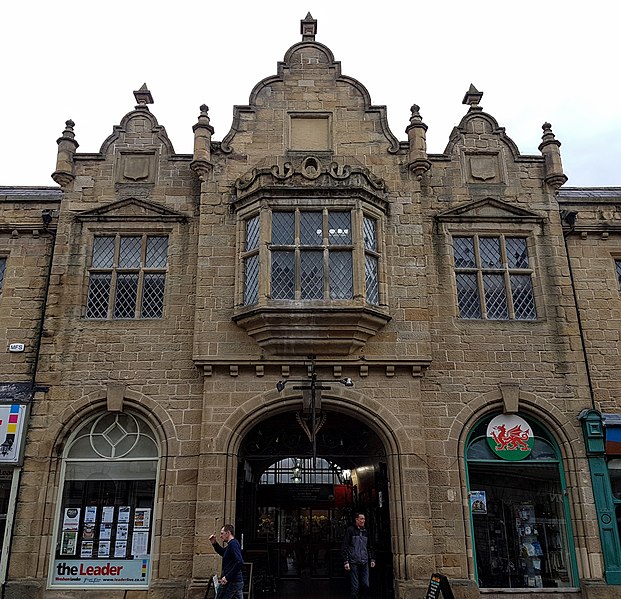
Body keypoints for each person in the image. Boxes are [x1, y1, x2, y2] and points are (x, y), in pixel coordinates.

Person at [342, 512, 375, 599]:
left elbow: (370, 546)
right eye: (361, 519)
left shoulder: (366, 531)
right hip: (353, 561)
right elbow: (345, 546)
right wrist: (346, 561)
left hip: (364, 561)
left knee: (366, 584)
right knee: (355, 586)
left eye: (364, 519)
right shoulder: (350, 530)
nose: (363, 521)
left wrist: (372, 559)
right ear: (356, 520)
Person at [209, 524, 244, 599]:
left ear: (228, 533)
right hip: (235, 581)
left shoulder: (233, 544)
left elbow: (239, 561)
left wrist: (227, 577)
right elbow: (223, 553)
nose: (221, 536)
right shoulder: (231, 544)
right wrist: (214, 543)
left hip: (231, 582)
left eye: (222, 533)